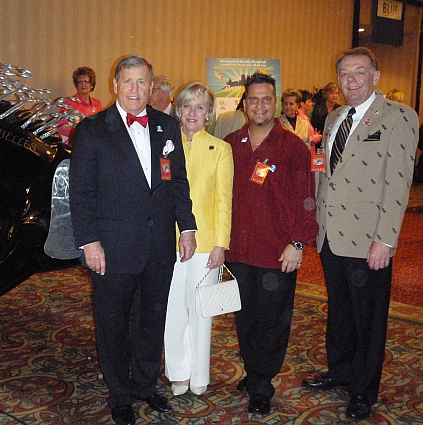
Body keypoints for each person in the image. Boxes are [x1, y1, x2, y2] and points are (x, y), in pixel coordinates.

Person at [69, 55, 197, 425]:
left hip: (158, 245)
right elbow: (81, 193)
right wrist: (89, 242)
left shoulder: (167, 127)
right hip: (111, 248)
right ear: (115, 84)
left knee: (151, 320)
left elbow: (178, 184)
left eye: (143, 82)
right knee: (112, 324)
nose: (136, 89)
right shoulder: (92, 129)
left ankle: (144, 385)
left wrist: (186, 227)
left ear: (152, 85)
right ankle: (120, 392)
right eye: (128, 81)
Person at [302, 47, 418, 421]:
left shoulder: (399, 116)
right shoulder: (335, 116)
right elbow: (325, 171)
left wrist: (386, 239)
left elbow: (398, 182)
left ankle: (363, 389)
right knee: (340, 311)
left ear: (375, 76)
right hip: (331, 235)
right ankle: (340, 369)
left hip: (369, 239)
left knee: (368, 318)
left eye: (359, 72)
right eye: (345, 73)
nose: (351, 80)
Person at [224, 72, 317, 415]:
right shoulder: (233, 142)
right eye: (253, 99)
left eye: (266, 99)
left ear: (275, 102)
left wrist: (297, 242)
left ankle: (262, 383)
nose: (259, 105)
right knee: (245, 317)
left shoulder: (291, 145)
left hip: (277, 250)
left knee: (273, 320)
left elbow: (306, 197)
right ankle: (253, 370)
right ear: (244, 104)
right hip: (240, 250)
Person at [164, 82, 233, 397]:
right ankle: (178, 371)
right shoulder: (164, 145)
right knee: (173, 309)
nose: (193, 112)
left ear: (208, 114)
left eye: (200, 107)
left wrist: (221, 243)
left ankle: (199, 374)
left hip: (206, 242)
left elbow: (223, 200)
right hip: (167, 241)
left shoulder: (220, 149)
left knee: (201, 311)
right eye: (187, 106)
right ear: (178, 110)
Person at [58, 66, 103, 142]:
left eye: (86, 81)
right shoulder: (69, 103)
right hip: (76, 143)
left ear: (91, 85)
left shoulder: (97, 104)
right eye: (80, 82)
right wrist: (80, 133)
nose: (83, 85)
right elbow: (61, 128)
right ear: (76, 85)